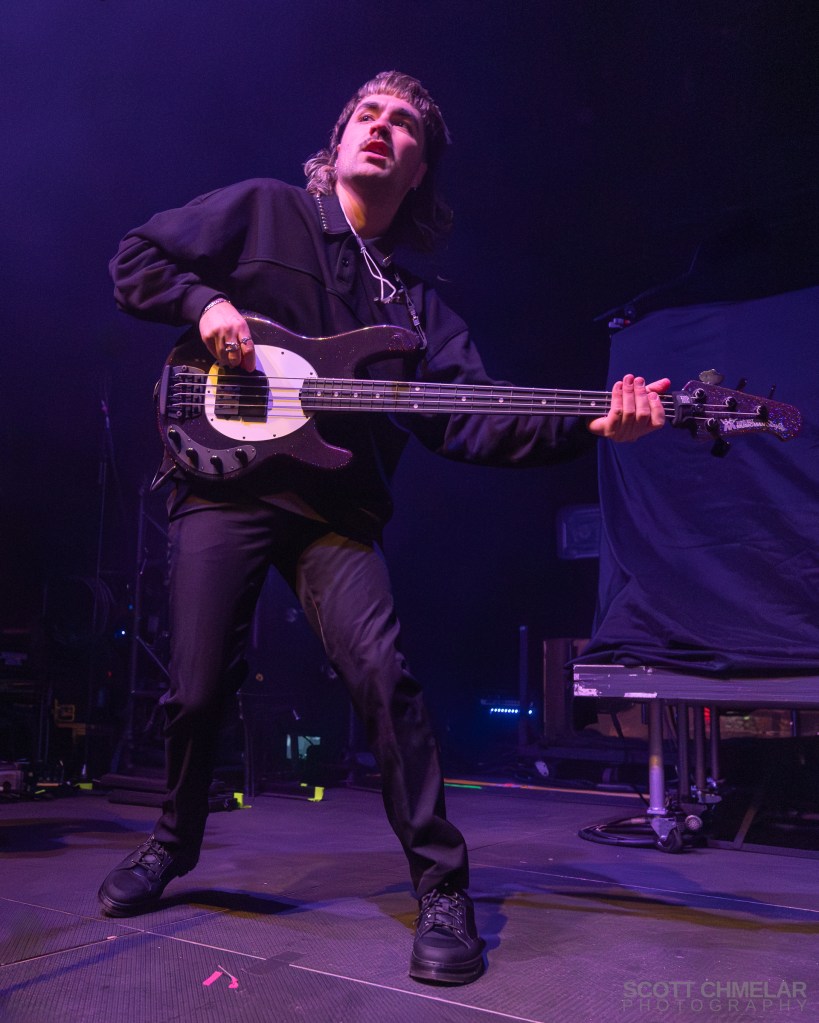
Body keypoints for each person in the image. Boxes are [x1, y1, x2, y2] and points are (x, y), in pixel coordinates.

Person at [98, 70, 669, 985]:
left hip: (334, 511)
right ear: (337, 143)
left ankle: (442, 888)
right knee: (196, 689)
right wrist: (206, 306)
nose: (380, 127)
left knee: (385, 678)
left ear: (418, 170)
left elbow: (472, 419)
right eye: (367, 113)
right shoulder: (266, 211)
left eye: (402, 124)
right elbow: (136, 258)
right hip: (223, 483)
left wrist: (591, 423)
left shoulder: (416, 308)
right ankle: (172, 840)